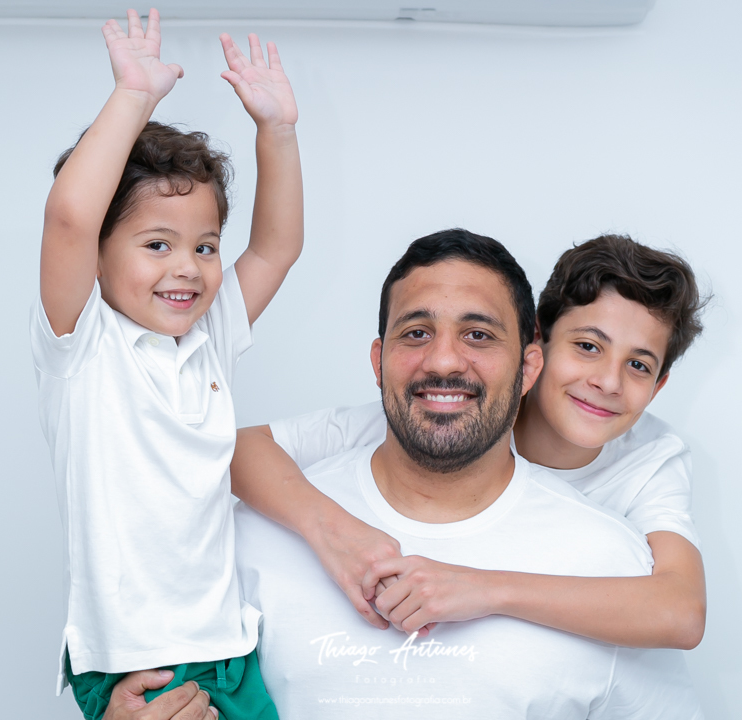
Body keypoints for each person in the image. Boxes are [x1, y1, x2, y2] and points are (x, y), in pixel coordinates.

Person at [230, 230, 702, 717]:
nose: (606, 381)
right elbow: (229, 449)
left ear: (526, 364)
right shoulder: (416, 414)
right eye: (586, 346)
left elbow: (681, 611)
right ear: (540, 346)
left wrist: (485, 588)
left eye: (638, 365)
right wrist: (333, 531)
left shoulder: (643, 479)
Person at [30, 8, 301, 719]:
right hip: (133, 659)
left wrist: (277, 132)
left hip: (228, 651)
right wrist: (132, 96)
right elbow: (69, 218)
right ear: (97, 256)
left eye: (204, 246)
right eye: (157, 244)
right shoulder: (82, 343)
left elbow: (275, 248)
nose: (188, 267)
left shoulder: (209, 336)